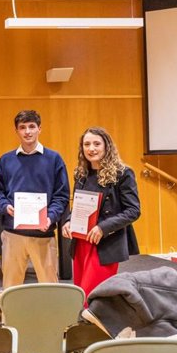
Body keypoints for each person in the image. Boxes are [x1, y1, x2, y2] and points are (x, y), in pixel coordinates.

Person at [61, 127, 140, 299]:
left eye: (97, 144)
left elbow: (133, 210)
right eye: (87, 144)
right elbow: (78, 206)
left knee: (94, 296)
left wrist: (103, 228)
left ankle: (97, 326)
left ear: (107, 146)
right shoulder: (81, 173)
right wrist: (69, 221)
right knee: (80, 295)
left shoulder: (123, 173)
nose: (91, 148)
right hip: (81, 242)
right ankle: (82, 326)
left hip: (105, 243)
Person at [0, 110, 69, 289]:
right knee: (11, 289)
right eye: (22, 127)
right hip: (13, 235)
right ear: (17, 131)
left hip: (43, 235)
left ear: (39, 129)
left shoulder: (54, 159)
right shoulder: (5, 160)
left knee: (50, 289)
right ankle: (10, 319)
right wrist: (5, 206)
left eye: (31, 127)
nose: (27, 131)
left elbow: (62, 195)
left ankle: (52, 319)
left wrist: (50, 217)